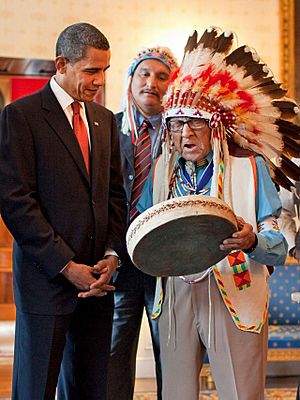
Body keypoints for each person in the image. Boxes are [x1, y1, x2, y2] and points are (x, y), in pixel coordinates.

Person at [137, 27, 300, 400]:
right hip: (175, 289)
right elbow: (144, 224)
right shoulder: (163, 168)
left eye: (196, 122)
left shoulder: (249, 168)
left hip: (235, 285)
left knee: (241, 392)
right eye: (176, 124)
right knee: (175, 393)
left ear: (218, 127)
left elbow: (277, 242)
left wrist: (253, 239)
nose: (185, 133)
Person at [0, 22, 127, 400]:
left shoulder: (105, 122)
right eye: (91, 70)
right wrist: (66, 266)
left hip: (98, 285)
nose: (100, 80)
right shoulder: (20, 116)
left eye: (104, 70)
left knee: (91, 389)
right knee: (35, 389)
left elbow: (115, 197)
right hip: (46, 282)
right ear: (61, 65)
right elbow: (16, 201)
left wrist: (111, 254)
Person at [107, 47, 178, 400]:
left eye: (162, 76)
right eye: (144, 74)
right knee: (114, 352)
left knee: (172, 352)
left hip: (167, 259)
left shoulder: (182, 135)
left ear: (172, 85)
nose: (151, 83)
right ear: (131, 79)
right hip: (118, 259)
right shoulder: (107, 128)